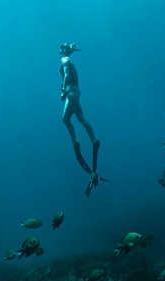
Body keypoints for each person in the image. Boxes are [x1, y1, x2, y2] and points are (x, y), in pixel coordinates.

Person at [59, 43, 108, 196]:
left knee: (80, 118)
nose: (59, 49)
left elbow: (67, 75)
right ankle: (76, 143)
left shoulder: (65, 60)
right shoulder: (71, 61)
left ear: (65, 50)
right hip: (73, 91)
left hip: (71, 91)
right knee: (66, 119)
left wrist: (63, 92)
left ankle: (93, 140)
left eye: (61, 47)